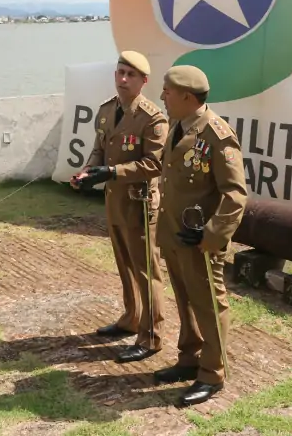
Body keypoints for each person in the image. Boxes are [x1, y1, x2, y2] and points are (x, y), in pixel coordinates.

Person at [153, 65, 248, 408]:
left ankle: (212, 372)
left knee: (209, 305)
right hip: (174, 235)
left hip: (200, 242)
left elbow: (235, 194)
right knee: (185, 300)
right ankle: (190, 357)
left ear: (186, 97)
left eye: (167, 91)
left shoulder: (216, 135)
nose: (162, 96)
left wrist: (212, 235)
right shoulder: (178, 127)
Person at [71, 51, 168, 364]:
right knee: (124, 265)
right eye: (120, 72)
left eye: (131, 75)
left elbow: (154, 164)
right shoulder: (106, 111)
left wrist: (112, 173)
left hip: (139, 204)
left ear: (143, 81)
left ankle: (151, 336)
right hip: (115, 201)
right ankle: (131, 318)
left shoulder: (152, 118)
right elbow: (99, 150)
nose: (123, 79)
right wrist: (87, 173)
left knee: (146, 270)